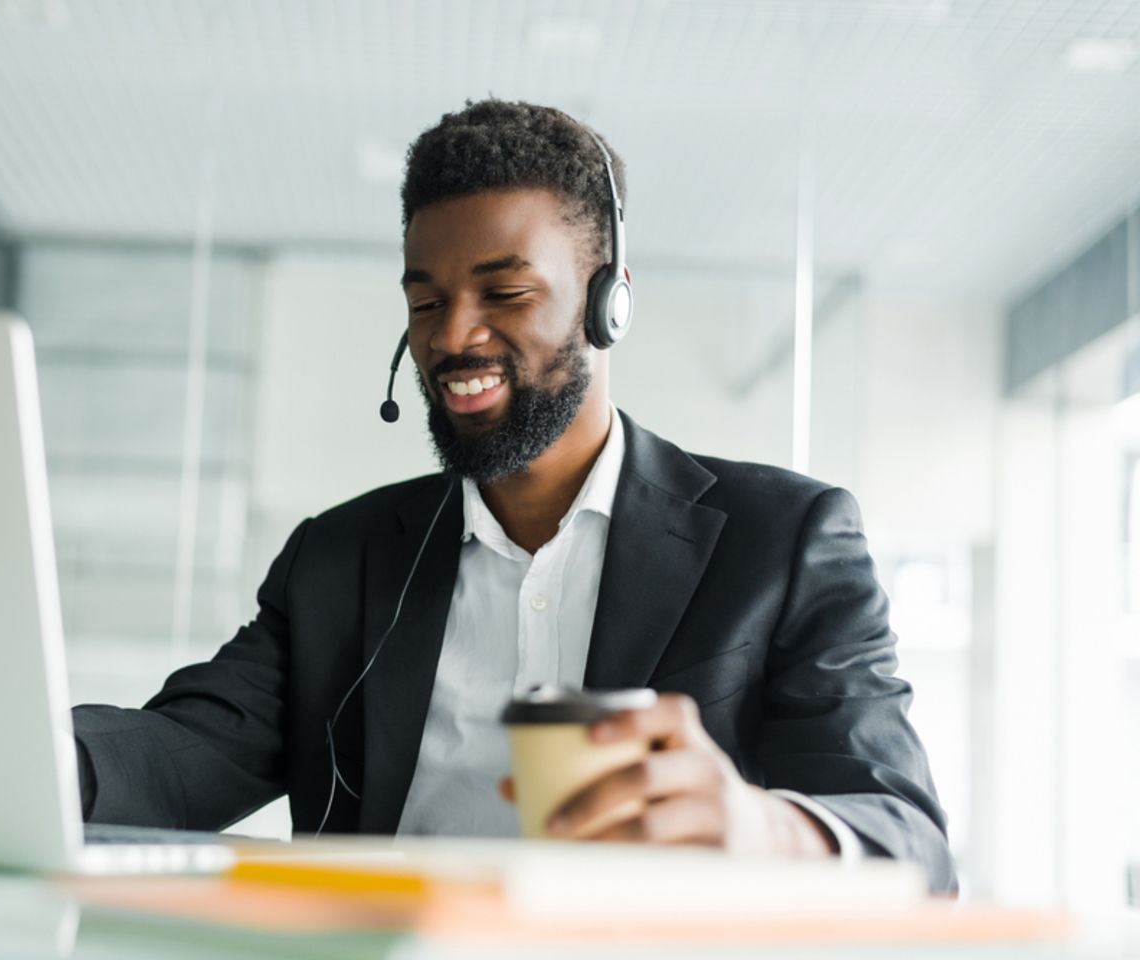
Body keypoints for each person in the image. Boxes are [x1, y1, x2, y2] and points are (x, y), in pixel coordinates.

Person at [72, 99, 957, 893]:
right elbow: (183, 755)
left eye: (506, 292)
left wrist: (764, 829)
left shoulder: (784, 540)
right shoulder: (339, 559)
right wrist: (14, 752)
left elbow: (910, 842)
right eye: (427, 301)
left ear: (608, 305)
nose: (454, 335)